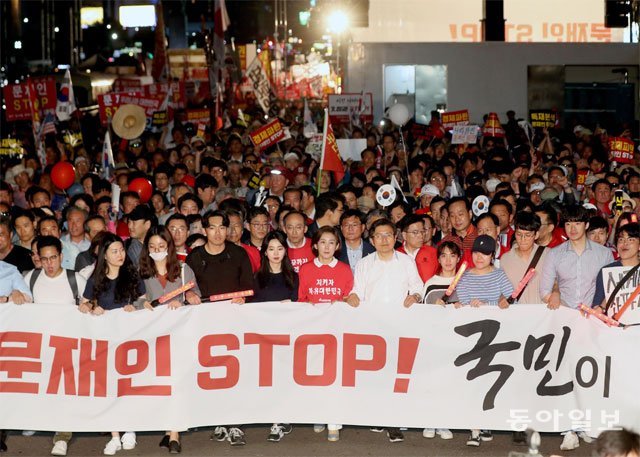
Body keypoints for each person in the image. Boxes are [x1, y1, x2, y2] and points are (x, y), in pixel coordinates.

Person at [345, 218, 423, 444]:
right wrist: (352, 297)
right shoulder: (365, 264)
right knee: (377, 374)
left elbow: (418, 286)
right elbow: (357, 291)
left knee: (396, 374)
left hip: (400, 325)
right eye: (379, 236)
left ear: (396, 236)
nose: (384, 240)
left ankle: (394, 421)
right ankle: (378, 415)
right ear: (372, 240)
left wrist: (415, 296)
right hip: (374, 327)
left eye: (388, 235)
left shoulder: (406, 262)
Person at [185, 210, 253, 447]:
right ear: (204, 231)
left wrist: (244, 299)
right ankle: (218, 420)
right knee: (213, 373)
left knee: (236, 373)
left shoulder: (239, 254)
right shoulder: (194, 257)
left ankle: (236, 424)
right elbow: (186, 287)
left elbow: (249, 289)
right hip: (205, 324)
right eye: (212, 228)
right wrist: (189, 293)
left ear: (229, 230)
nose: (217, 232)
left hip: (235, 323)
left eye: (222, 228)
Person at [78, 233, 145, 455]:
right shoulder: (96, 279)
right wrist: (90, 308)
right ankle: (115, 435)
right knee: (108, 388)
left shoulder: (132, 274)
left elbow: (144, 299)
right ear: (104, 256)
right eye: (114, 251)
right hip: (105, 341)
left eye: (122, 250)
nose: (120, 255)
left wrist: (135, 306)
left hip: (130, 339)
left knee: (128, 386)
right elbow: (84, 303)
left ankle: (130, 430)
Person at [21, 236, 86, 456]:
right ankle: (39, 419)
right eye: (44, 259)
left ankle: (62, 435)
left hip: (68, 346)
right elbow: (20, 308)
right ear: (38, 258)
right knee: (40, 388)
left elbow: (88, 306)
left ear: (61, 256)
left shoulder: (75, 279)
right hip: (40, 345)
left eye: (53, 258)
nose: (49, 264)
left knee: (64, 392)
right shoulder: (30, 278)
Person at [138, 226, 200, 454]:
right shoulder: (142, 273)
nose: (157, 251)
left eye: (161, 247)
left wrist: (186, 300)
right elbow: (136, 299)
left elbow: (196, 297)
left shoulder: (183, 270)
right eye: (152, 247)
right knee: (162, 384)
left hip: (180, 335)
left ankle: (174, 434)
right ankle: (168, 431)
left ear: (169, 247)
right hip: (155, 337)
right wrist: (141, 304)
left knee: (178, 383)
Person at [451, 235, 514, 447]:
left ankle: (487, 422)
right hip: (473, 340)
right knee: (473, 382)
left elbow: (510, 300)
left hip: (495, 337)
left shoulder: (499, 275)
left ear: (492, 255)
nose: (480, 257)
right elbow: (464, 303)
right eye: (476, 252)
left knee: (490, 381)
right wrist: (468, 305)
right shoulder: (465, 277)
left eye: (485, 253)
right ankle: (474, 429)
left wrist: (497, 303)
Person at [297, 225, 352, 441]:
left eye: (331, 242)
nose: (327, 247)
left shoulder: (345, 270)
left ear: (338, 246)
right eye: (322, 242)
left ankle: (334, 422)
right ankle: (318, 413)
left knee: (335, 373)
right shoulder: (306, 269)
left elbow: (349, 298)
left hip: (337, 330)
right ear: (315, 245)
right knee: (314, 372)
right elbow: (302, 299)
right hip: (313, 328)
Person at [539, 205, 614, 312]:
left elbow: (610, 288)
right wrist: (562, 305)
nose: (572, 229)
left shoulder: (604, 254)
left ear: (586, 225)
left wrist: (599, 308)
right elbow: (544, 291)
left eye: (577, 224)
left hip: (593, 315)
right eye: (568, 224)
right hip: (563, 314)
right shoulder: (554, 254)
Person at [500, 212, 548, 304]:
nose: (522, 239)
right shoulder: (505, 259)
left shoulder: (548, 254)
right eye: (519, 234)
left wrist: (556, 292)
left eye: (528, 235)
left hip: (543, 314)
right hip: (517, 314)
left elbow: (557, 282)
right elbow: (501, 288)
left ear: (536, 235)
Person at [592, 222, 640, 310]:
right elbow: (597, 304)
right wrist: (599, 308)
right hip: (612, 323)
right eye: (621, 239)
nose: (625, 243)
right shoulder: (607, 271)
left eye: (630, 239)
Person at [397, 214, 438, 282]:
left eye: (422, 231)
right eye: (415, 232)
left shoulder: (433, 253)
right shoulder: (396, 255)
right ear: (404, 235)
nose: (421, 235)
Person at [337, 209, 375, 274]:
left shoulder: (373, 250)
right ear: (341, 228)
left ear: (363, 227)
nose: (350, 229)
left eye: (354, 225)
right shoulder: (335, 250)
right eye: (346, 225)